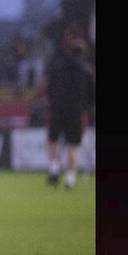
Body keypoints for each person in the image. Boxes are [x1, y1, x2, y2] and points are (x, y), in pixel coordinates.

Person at [44, 31, 95, 189]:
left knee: (52, 140)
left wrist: (53, 103)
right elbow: (92, 96)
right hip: (76, 112)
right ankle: (70, 180)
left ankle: (53, 168)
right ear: (84, 52)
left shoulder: (58, 67)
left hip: (57, 109)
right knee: (72, 145)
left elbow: (49, 89)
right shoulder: (87, 71)